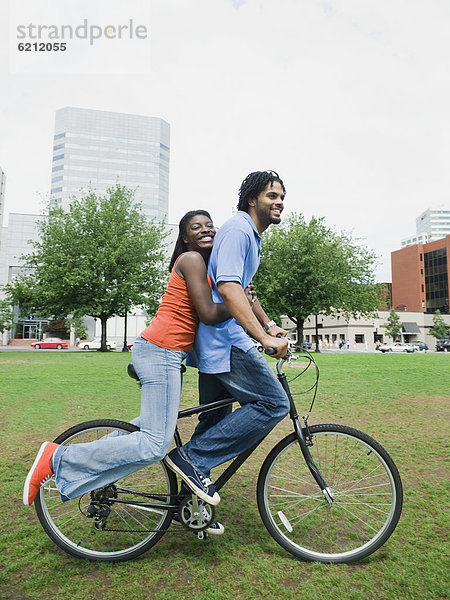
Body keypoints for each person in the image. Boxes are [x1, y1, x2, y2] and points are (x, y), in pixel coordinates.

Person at [23, 210, 239, 520]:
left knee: (150, 427)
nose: (206, 230)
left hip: (166, 353)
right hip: (160, 350)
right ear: (185, 238)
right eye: (197, 227)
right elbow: (207, 313)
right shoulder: (191, 261)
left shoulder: (204, 265)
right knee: (154, 444)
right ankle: (59, 457)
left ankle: (79, 472)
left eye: (209, 224)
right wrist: (237, 303)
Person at [164, 171, 290, 519]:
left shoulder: (247, 234)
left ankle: (188, 507)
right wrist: (261, 338)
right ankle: (192, 459)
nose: (279, 202)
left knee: (215, 420)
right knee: (271, 403)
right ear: (252, 199)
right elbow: (230, 287)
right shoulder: (237, 230)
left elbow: (245, 290)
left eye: (282, 197)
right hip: (226, 342)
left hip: (214, 347)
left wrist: (268, 324)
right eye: (271, 196)